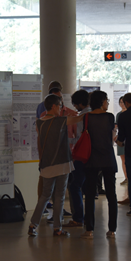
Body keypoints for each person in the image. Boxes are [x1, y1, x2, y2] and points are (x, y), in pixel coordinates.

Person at [28, 94, 84, 238]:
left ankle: (33, 225)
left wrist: (41, 161)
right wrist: (89, 112)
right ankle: (57, 229)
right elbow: (78, 119)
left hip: (47, 164)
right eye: (59, 106)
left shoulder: (39, 122)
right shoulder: (60, 121)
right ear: (53, 106)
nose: (61, 108)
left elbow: (40, 144)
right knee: (59, 196)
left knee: (45, 195)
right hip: (62, 163)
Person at [81, 90, 118, 239]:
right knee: (111, 195)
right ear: (102, 101)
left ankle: (89, 229)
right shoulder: (109, 117)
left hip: (92, 158)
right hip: (108, 158)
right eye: (106, 100)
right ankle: (112, 229)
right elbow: (111, 135)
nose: (107, 103)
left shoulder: (86, 117)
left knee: (90, 195)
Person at [64, 90, 91, 229]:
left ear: (80, 103)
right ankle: (89, 219)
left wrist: (66, 140)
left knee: (74, 186)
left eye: (75, 104)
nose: (75, 107)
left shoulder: (82, 117)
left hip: (82, 156)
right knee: (88, 188)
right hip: (94, 156)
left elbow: (80, 138)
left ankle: (78, 218)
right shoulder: (94, 114)